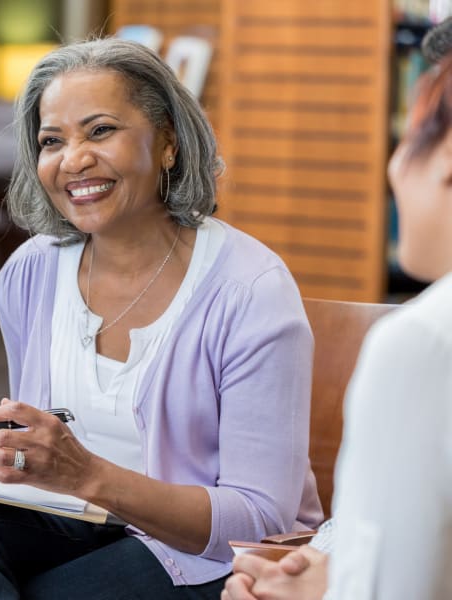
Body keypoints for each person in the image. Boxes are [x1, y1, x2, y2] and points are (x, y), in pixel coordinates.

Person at [0, 37, 322, 599]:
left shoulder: (249, 289)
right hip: (79, 522)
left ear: (168, 143)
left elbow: (259, 522)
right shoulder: (31, 271)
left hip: (204, 558)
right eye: (52, 140)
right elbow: (43, 450)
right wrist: (5, 470)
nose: (74, 159)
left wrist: (87, 474)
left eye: (101, 130)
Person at [223, 24, 452, 600]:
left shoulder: (423, 344)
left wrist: (321, 591)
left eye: (414, 131)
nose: (396, 163)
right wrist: (326, 561)